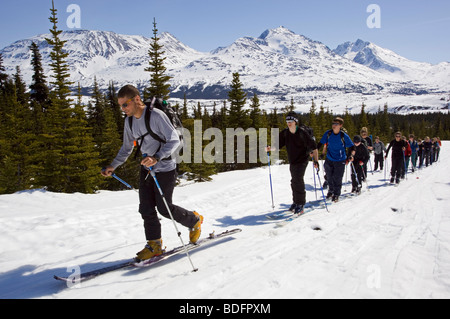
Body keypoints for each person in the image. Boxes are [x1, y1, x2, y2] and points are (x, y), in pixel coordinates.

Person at [101, 85, 203, 261]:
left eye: (125, 105)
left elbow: (174, 140)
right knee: (146, 208)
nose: (123, 109)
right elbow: (127, 148)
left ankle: (194, 220)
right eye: (120, 106)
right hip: (147, 169)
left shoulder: (156, 116)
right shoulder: (129, 121)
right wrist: (113, 165)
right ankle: (154, 244)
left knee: (164, 208)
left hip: (165, 168)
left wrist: (157, 157)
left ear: (137, 99)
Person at [267, 111, 319, 215]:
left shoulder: (302, 132)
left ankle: (300, 204)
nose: (289, 123)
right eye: (287, 121)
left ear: (295, 122)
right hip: (293, 160)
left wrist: (316, 160)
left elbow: (314, 147)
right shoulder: (285, 133)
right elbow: (278, 145)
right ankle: (295, 202)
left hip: (303, 159)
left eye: (291, 121)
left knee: (298, 180)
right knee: (294, 181)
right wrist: (270, 148)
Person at [317, 117, 354, 202]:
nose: (334, 125)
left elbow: (351, 146)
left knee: (337, 178)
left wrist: (350, 156)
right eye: (333, 124)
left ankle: (336, 194)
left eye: (336, 124)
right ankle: (330, 191)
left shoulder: (343, 135)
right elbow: (320, 143)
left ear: (340, 125)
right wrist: (314, 150)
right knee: (329, 177)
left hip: (340, 160)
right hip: (329, 158)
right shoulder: (328, 133)